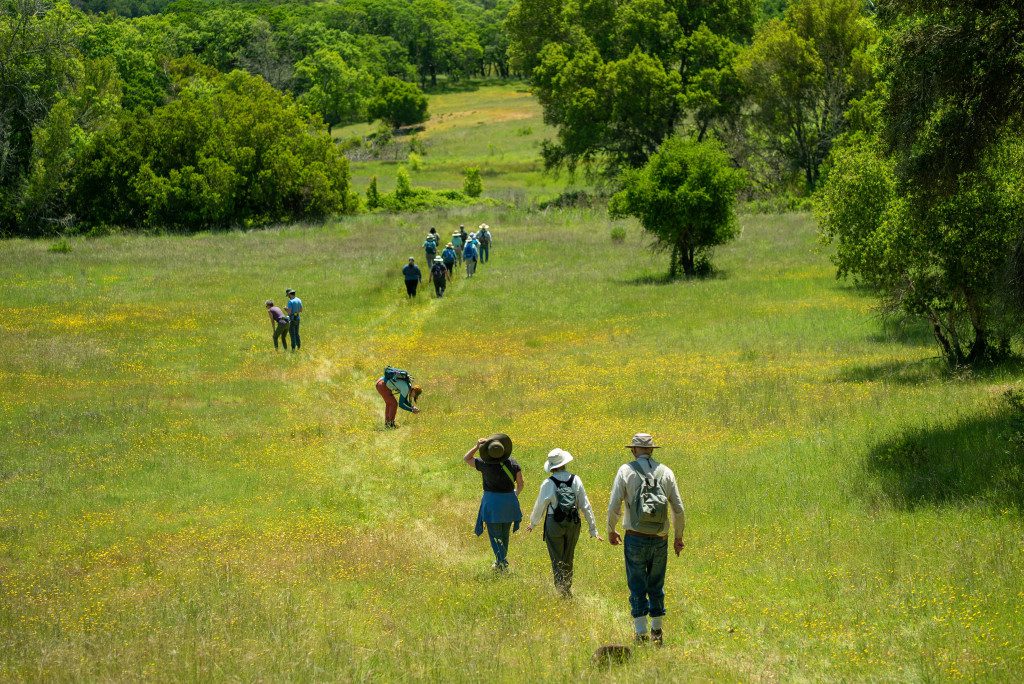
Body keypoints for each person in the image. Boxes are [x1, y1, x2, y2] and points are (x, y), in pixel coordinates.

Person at [607, 433, 685, 647]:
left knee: (637, 584)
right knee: (656, 584)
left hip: (635, 536)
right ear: (651, 450)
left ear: (633, 450)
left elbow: (615, 504)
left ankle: (640, 635)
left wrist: (611, 529)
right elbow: (679, 510)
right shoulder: (666, 472)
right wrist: (678, 537)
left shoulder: (626, 470)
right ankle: (657, 632)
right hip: (660, 538)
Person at [525, 448, 602, 597]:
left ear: (552, 467)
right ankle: (567, 588)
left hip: (554, 522)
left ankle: (561, 590)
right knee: (568, 557)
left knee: (556, 558)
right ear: (565, 463)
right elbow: (585, 505)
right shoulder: (576, 479)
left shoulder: (548, 483)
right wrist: (593, 530)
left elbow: (540, 505)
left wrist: (533, 523)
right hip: (573, 522)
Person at [464, 434, 523, 572]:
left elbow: (466, 458)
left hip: (492, 504)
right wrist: (514, 495)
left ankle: (501, 562)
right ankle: (501, 561)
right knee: (504, 534)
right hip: (509, 503)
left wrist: (477, 446)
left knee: (495, 534)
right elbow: (520, 484)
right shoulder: (513, 464)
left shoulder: (484, 464)